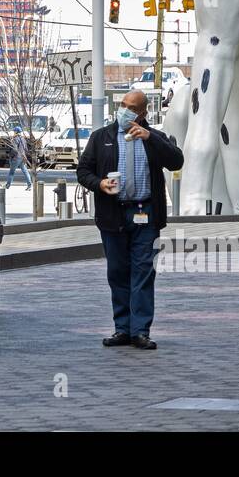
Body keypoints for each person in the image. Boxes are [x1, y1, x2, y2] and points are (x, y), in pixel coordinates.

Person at [77, 90, 184, 349]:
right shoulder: (101, 137)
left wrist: (151, 138)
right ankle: (122, 328)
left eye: (132, 107)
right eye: (123, 105)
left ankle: (140, 331)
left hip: (145, 214)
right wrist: (100, 183)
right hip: (113, 213)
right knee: (117, 271)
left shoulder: (154, 137)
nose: (125, 110)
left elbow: (176, 161)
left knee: (143, 271)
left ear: (143, 113)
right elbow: (83, 171)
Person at [4, 126, 32, 190]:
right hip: (22, 157)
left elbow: (14, 149)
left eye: (14, 131)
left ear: (16, 132)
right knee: (25, 171)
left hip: (16, 158)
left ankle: (7, 185)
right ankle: (29, 185)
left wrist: (11, 156)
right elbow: (26, 149)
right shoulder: (23, 139)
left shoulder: (15, 139)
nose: (13, 132)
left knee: (11, 172)